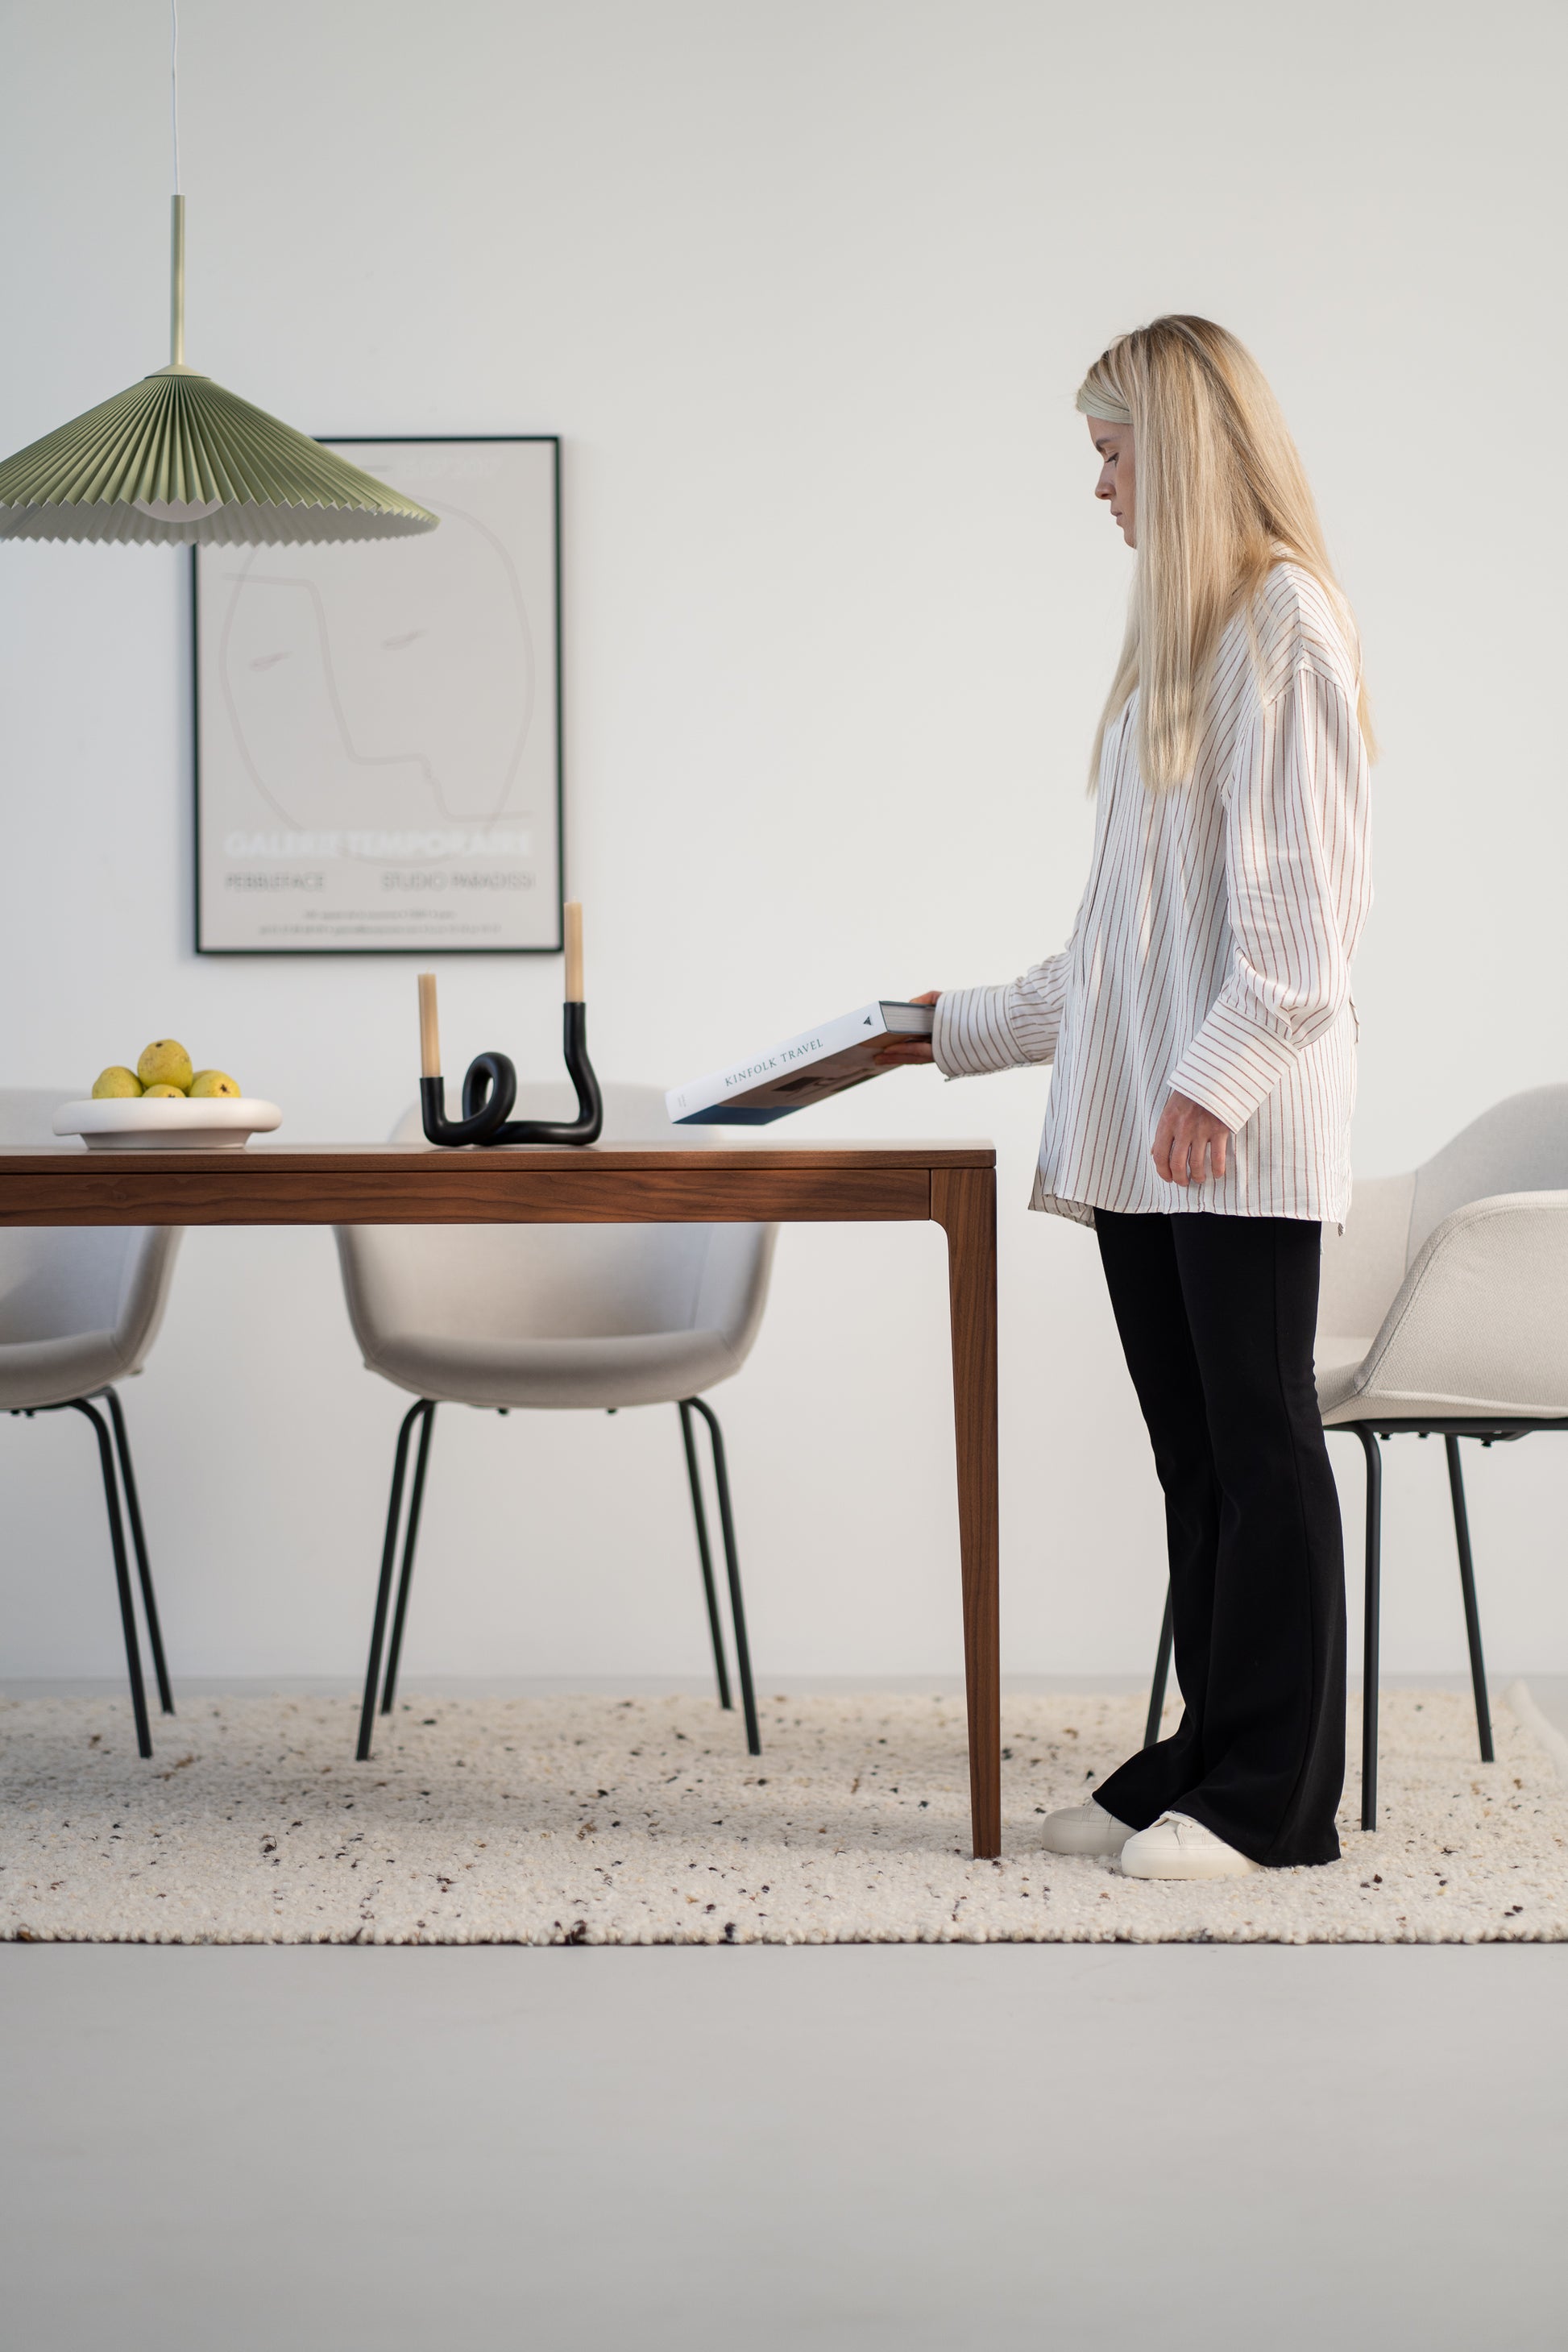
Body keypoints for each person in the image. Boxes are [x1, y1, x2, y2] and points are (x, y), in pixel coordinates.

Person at [879, 316, 1373, 1880]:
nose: (1096, 485)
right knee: (1196, 1459)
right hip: (1153, 1139)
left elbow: (1303, 932)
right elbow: (1108, 961)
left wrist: (1212, 1082)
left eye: (1110, 451)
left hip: (1230, 1129)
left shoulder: (1286, 626)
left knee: (1257, 1442)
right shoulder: (1179, 657)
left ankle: (1269, 1799)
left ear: (1182, 448)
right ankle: (1207, 1748)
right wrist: (929, 1026)